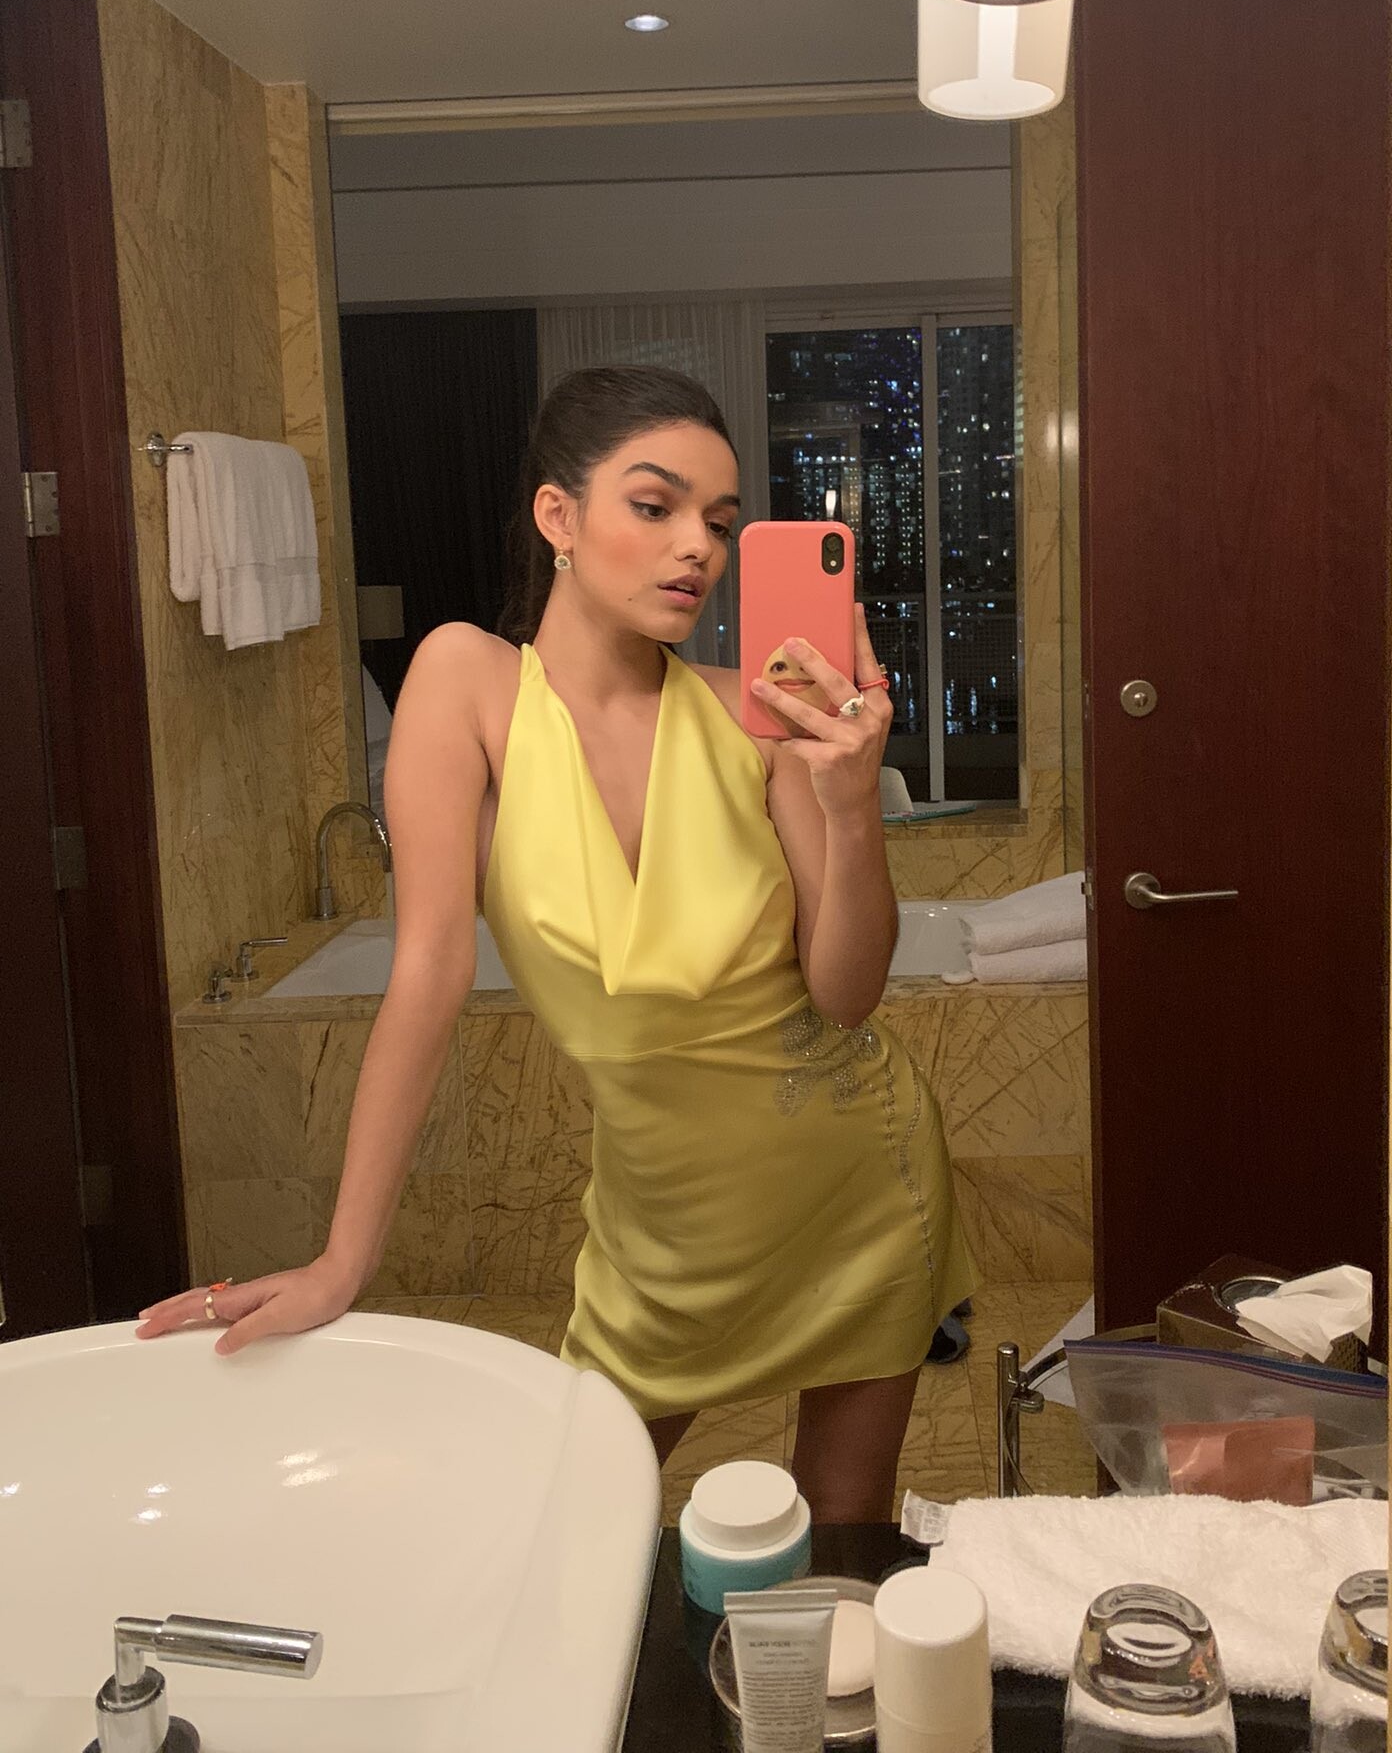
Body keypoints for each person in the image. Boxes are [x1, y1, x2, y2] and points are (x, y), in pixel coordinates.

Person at [139, 366, 976, 1523]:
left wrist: (848, 802)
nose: (697, 546)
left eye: (720, 521)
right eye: (655, 505)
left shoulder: (759, 720)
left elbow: (846, 995)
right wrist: (343, 1260)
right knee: (570, 1518)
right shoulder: (468, 682)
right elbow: (428, 975)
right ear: (559, 516)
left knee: (841, 1537)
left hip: (856, 1185)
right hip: (660, 1232)